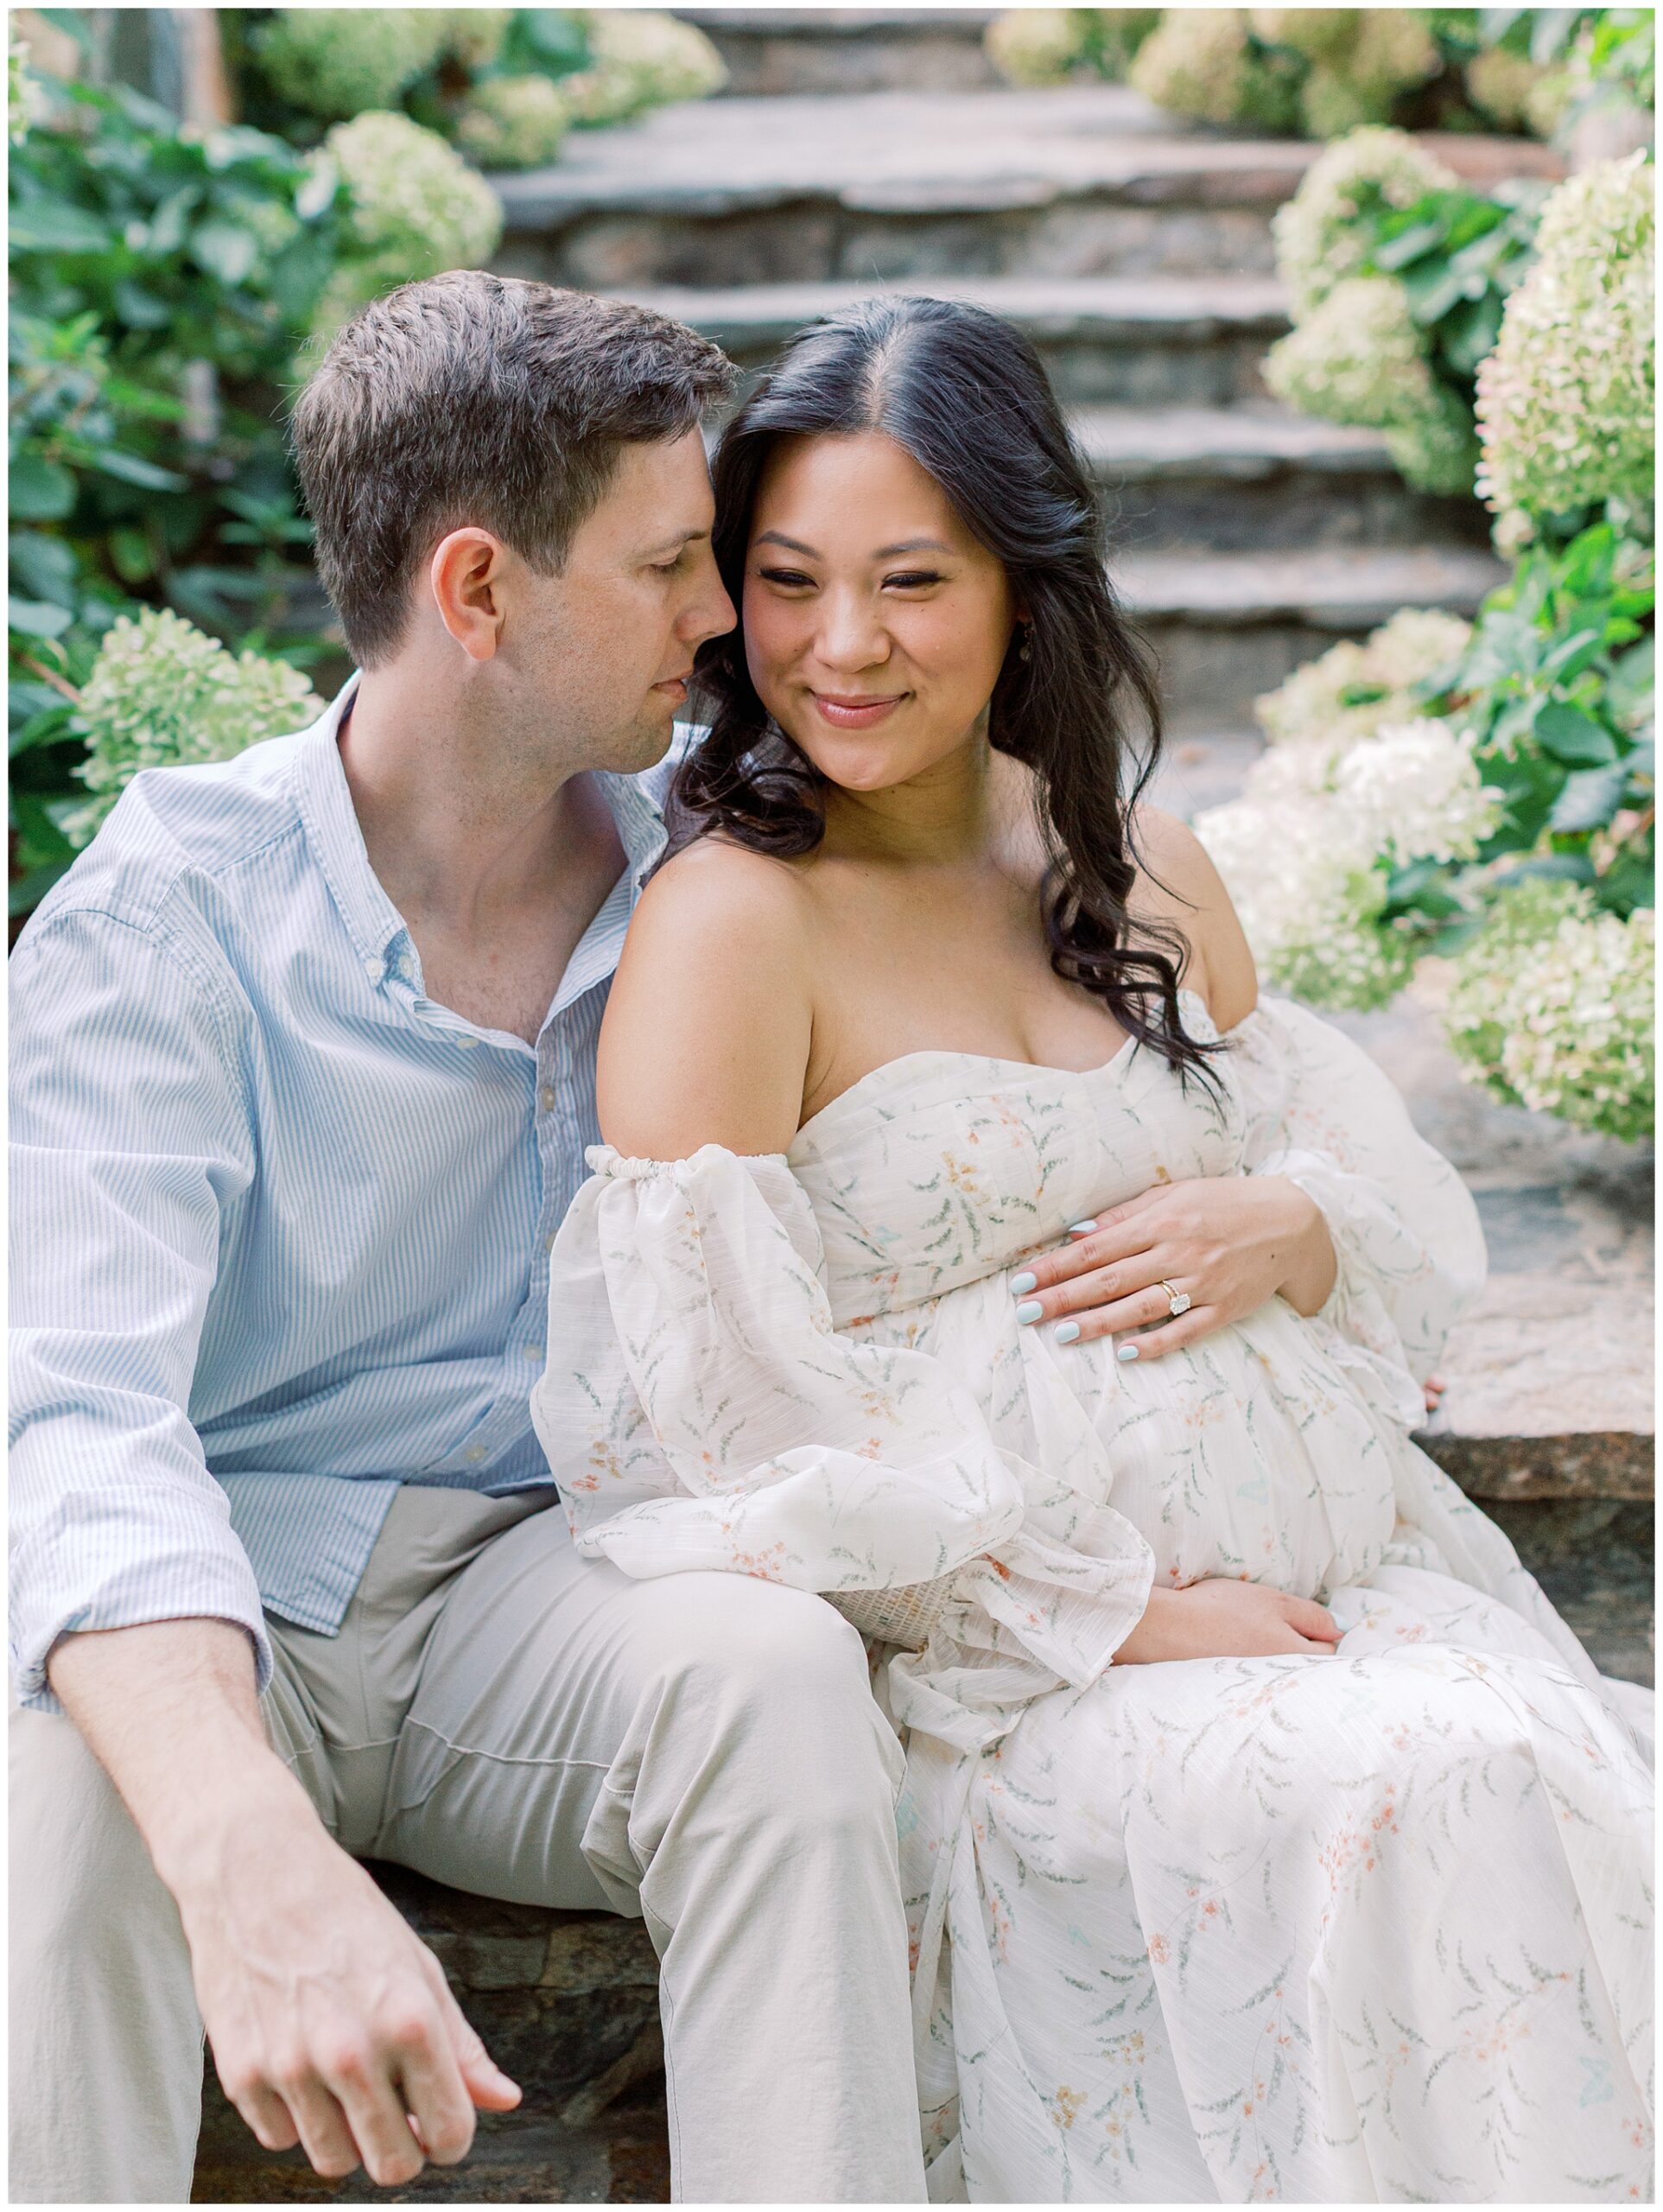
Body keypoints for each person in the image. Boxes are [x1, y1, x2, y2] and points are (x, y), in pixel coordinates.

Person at [533, 295, 1656, 2203]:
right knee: (1428, 1792)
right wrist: (1103, 1606)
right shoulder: (736, 924)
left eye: (911, 580)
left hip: (1354, 1588)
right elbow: (704, 1419)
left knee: (1555, 1781)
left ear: (1025, 592)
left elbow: (1364, 1190)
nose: (842, 645)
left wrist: (1293, 1224)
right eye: (787, 581)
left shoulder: (1131, 859)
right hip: (1021, 1674)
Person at [9, 270, 937, 2204]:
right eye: (676, 560)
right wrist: (242, 1835)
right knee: (70, 1800)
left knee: (774, 1683)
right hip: (236, 1588)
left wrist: (1268, 1202)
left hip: (553, 1581)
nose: (722, 616)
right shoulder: (165, 917)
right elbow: (68, 1419)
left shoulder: (716, 865)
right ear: (478, 592)